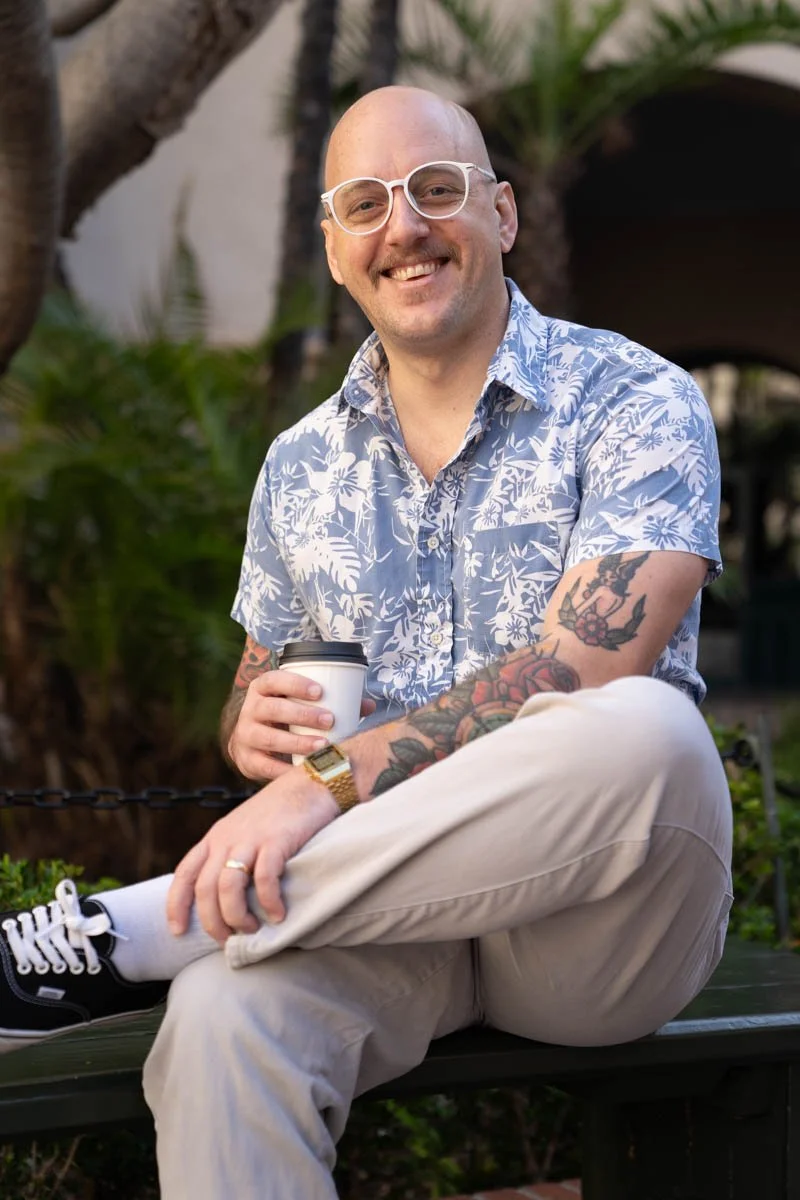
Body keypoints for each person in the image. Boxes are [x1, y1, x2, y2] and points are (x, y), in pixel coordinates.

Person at [0, 86, 732, 1199]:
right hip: (393, 921)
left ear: (499, 215)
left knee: (646, 729)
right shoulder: (298, 464)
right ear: (336, 248)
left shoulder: (634, 398)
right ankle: (169, 957)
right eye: (365, 204)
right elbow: (262, 690)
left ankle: (135, 934)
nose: (404, 227)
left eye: (435, 191)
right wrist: (253, 730)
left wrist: (318, 790)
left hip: (597, 932)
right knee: (219, 1018)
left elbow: (584, 662)